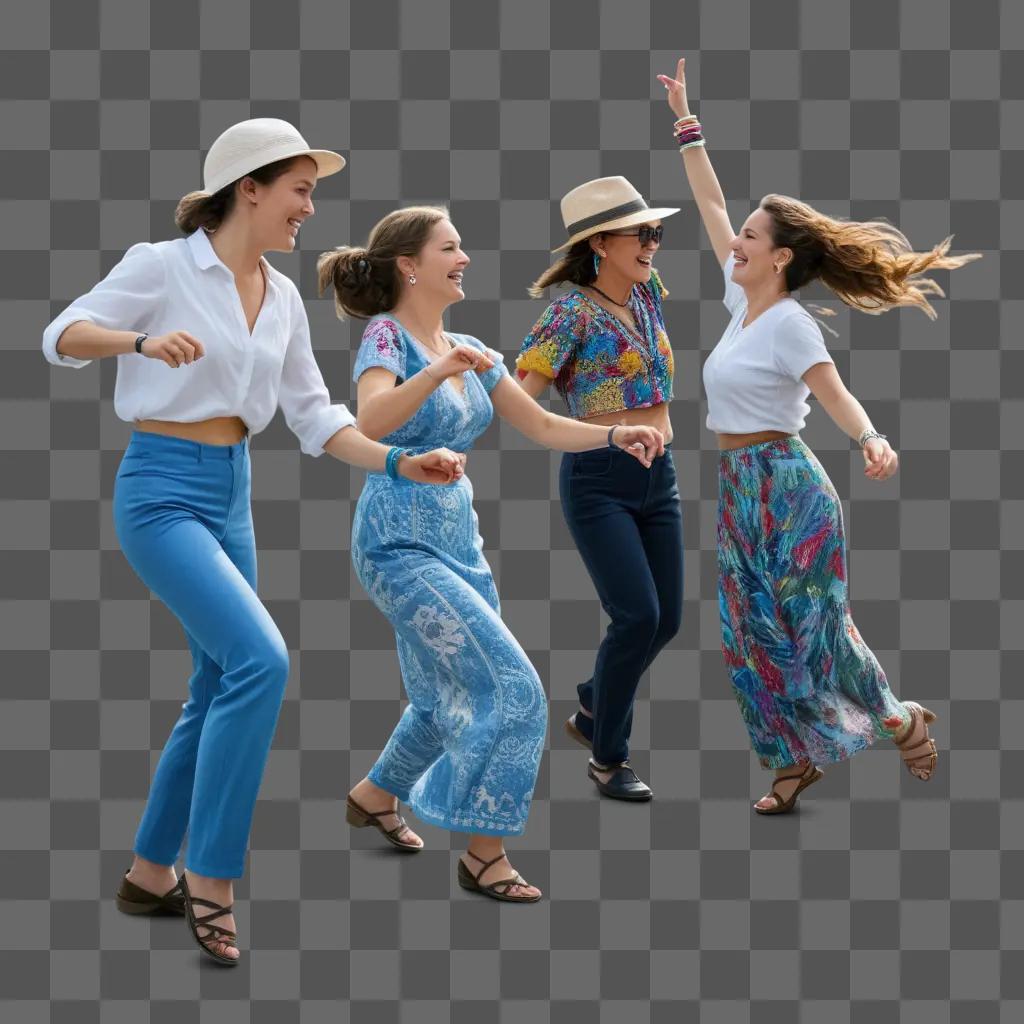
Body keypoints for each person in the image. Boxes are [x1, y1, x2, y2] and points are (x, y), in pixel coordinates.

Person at [42, 119, 465, 964]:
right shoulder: (161, 267)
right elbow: (60, 336)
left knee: (217, 680)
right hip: (160, 489)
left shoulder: (280, 299)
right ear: (251, 188)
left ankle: (149, 872)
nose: (310, 207)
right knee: (261, 662)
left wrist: (399, 460)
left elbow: (318, 421)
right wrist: (139, 340)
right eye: (301, 189)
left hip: (233, 491)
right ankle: (214, 875)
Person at [656, 59, 979, 813]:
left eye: (750, 235)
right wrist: (685, 118)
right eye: (738, 234)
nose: (734, 241)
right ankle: (790, 763)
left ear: (781, 256)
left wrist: (871, 438)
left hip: (790, 487)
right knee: (746, 638)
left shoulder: (792, 324)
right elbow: (707, 200)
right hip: (737, 490)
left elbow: (832, 391)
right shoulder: (742, 309)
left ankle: (899, 720)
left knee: (814, 630)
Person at [317, 206, 665, 902]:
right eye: (451, 247)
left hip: (458, 543)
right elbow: (370, 420)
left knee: (441, 693)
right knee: (509, 689)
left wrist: (617, 433)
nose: (466, 257)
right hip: (398, 543)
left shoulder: (471, 344)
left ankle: (375, 796)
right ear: (410, 266)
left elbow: (537, 421)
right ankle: (484, 854)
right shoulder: (388, 337)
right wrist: (438, 368)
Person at [515, 176, 684, 802]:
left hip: (658, 477)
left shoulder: (648, 294)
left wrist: (688, 132)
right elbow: (517, 397)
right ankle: (608, 758)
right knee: (636, 615)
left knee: (666, 621)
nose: (652, 244)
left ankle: (593, 704)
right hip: (598, 479)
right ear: (599, 243)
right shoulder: (568, 314)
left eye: (656, 233)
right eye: (641, 234)